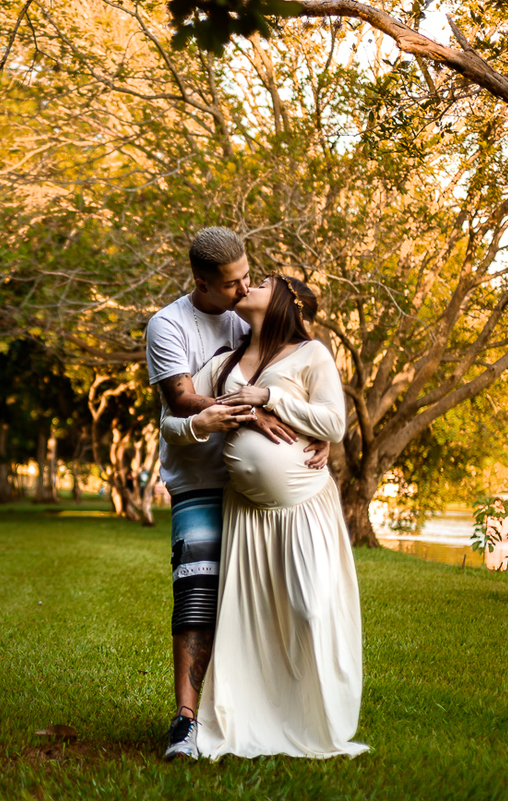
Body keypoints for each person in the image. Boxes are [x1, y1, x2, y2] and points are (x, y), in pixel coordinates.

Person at [160, 274, 368, 760]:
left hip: (303, 507)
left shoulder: (311, 355)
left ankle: (315, 721)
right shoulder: (225, 364)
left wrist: (269, 399)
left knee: (308, 610)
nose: (250, 285)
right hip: (246, 517)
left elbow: (334, 423)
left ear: (284, 302)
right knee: (251, 627)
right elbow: (171, 422)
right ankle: (255, 720)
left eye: (264, 282)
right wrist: (201, 423)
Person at [145, 227, 328, 760]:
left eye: (248, 276)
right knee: (197, 595)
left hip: (256, 495)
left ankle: (263, 716)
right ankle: (185, 723)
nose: (245, 288)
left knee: (267, 603)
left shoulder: (248, 316)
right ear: (201, 282)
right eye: (231, 283)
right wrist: (252, 411)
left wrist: (319, 429)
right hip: (199, 482)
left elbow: (300, 371)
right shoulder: (168, 325)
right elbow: (181, 401)